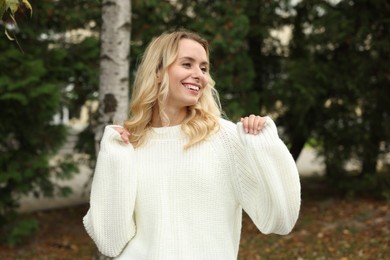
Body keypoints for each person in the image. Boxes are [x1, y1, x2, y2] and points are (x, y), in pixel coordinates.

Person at [83, 30, 301, 259]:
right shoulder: (129, 144)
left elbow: (281, 220)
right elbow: (110, 241)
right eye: (187, 64)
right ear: (157, 72)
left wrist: (265, 147)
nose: (200, 75)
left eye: (204, 68)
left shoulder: (226, 139)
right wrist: (114, 159)